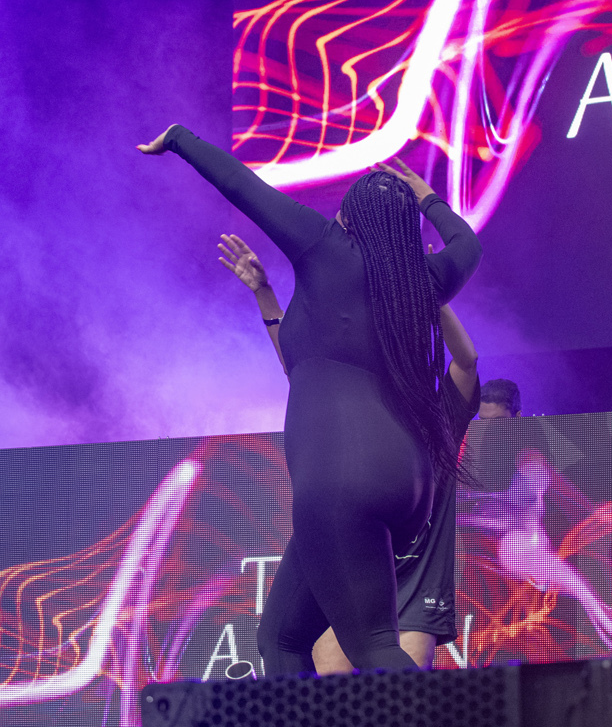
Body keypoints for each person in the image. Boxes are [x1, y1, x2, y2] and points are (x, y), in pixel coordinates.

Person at [140, 124, 481, 673]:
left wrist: (179, 138)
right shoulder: (422, 279)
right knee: (281, 638)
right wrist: (428, 200)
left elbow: (243, 185)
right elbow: (468, 246)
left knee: (373, 645)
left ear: (351, 219)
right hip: (403, 481)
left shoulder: (325, 247)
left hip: (339, 476)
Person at [219, 234, 481, 671]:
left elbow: (467, 361)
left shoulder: (441, 413)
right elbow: (303, 370)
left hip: (414, 580)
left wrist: (431, 294)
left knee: (392, 687)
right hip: (350, 565)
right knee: (312, 665)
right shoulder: (359, 402)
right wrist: (264, 294)